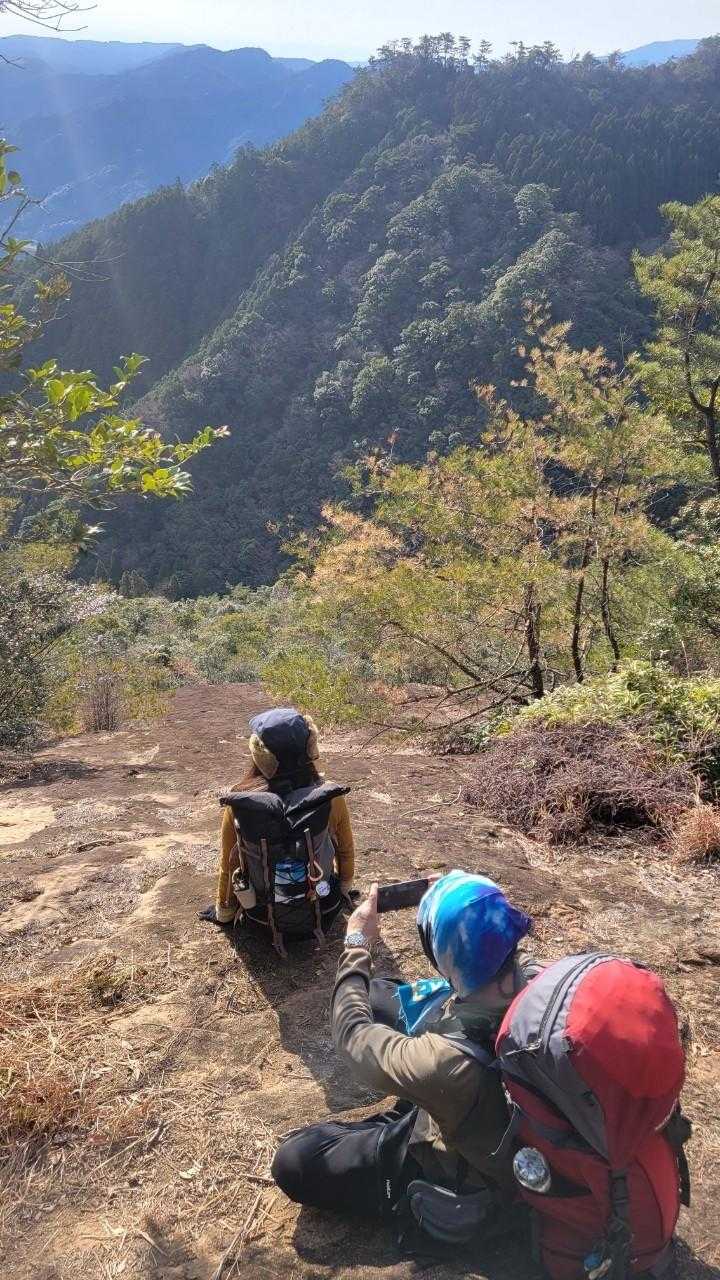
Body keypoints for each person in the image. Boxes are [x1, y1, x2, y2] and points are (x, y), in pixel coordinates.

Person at [271, 870, 537, 1237]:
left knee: (294, 1161)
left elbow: (352, 1035)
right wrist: (456, 902)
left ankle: (399, 1151)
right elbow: (491, 946)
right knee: (378, 995)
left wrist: (356, 944)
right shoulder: (536, 978)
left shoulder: (442, 1063)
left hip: (459, 1164)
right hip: (480, 1095)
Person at [199, 707, 355, 930]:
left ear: (260, 756)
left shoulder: (241, 804)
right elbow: (345, 851)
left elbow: (230, 863)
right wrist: (343, 891)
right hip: (324, 909)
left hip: (261, 919)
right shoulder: (330, 796)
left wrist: (224, 912)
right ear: (310, 748)